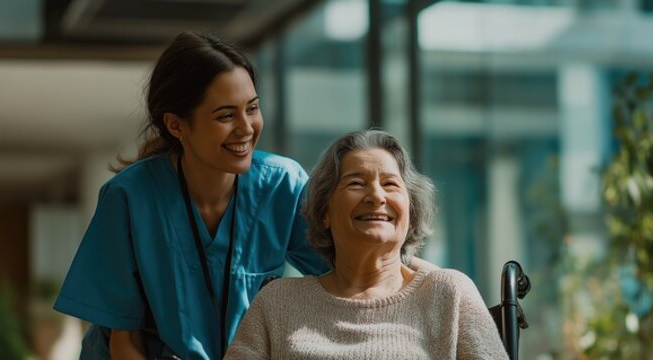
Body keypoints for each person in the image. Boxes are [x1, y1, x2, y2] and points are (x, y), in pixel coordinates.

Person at [54, 31, 340, 359]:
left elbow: (347, 275)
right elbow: (123, 343)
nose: (246, 128)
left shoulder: (281, 186)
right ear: (177, 125)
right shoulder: (129, 198)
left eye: (252, 108)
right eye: (226, 115)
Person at [225, 130, 508, 359]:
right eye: (356, 183)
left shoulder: (448, 294)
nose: (376, 195)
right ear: (325, 213)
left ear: (410, 215)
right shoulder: (278, 301)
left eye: (390, 184)